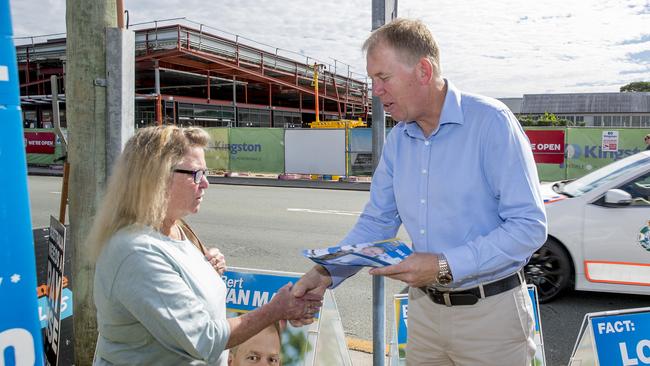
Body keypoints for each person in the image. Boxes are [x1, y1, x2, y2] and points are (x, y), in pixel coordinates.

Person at [292, 18, 547, 365]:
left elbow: (528, 226)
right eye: (372, 81)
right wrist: (324, 272)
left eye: (383, 78)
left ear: (424, 71)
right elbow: (377, 222)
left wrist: (445, 266)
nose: (375, 91)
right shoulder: (399, 140)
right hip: (424, 314)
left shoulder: (492, 123)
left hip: (492, 319)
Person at [91, 126, 321, 365]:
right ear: (157, 177)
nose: (205, 184)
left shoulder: (174, 229)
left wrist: (206, 270)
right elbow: (205, 339)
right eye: (196, 174)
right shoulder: (136, 252)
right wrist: (275, 310)